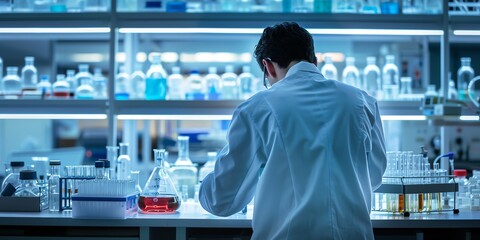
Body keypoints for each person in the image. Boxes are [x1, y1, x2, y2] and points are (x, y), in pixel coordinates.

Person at [199, 22, 387, 239]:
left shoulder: (257, 108)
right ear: (314, 62)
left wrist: (205, 182)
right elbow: (373, 176)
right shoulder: (363, 102)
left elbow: (221, 200)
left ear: (268, 66)